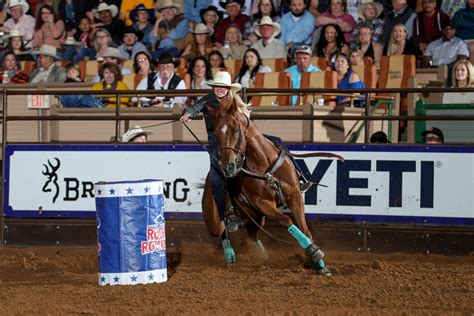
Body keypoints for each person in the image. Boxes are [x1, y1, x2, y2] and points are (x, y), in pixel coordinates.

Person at [180, 71, 314, 231]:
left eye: (223, 87)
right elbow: (197, 106)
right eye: (217, 87)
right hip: (219, 142)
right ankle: (228, 214)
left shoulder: (234, 101)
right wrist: (189, 113)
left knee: (278, 141)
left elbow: (245, 118)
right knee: (217, 178)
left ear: (228, 88)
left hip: (241, 138)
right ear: (213, 88)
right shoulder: (208, 100)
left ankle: (299, 177)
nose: (219, 90)